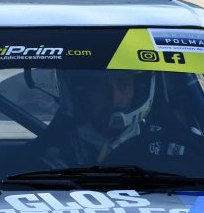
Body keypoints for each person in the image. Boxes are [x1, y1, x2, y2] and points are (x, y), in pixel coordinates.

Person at [27, 70, 155, 168]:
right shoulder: (49, 153)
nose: (114, 99)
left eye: (123, 86)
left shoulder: (159, 145)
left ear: (137, 91)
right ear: (82, 94)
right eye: (101, 87)